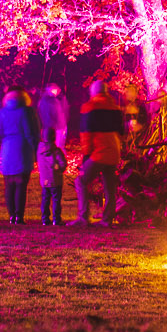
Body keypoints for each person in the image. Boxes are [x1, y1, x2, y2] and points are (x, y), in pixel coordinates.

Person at [73, 80, 124, 226]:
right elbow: (121, 132)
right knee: (110, 188)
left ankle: (83, 217)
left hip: (99, 152)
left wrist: (86, 155)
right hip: (113, 152)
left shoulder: (89, 107)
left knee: (81, 181)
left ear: (93, 92)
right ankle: (107, 219)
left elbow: (86, 134)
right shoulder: (115, 108)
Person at [0, 88, 37, 225]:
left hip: (7, 149)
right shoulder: (26, 111)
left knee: (9, 185)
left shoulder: (2, 112)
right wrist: (36, 149)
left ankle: (11, 215)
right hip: (22, 148)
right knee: (21, 185)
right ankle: (19, 215)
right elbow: (29, 132)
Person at [37, 127, 67, 226]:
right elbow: (63, 164)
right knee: (56, 200)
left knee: (45, 200)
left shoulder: (39, 151)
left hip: (44, 180)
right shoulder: (56, 151)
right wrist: (60, 169)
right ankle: (56, 219)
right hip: (55, 180)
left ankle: (45, 219)